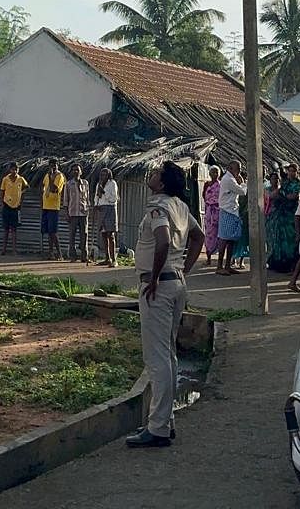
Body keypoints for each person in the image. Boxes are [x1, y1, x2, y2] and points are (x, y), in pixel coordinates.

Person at [126, 160, 204, 449]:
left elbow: (161, 241)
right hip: (177, 282)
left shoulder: (158, 206)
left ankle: (157, 428)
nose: (152, 174)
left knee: (157, 358)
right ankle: (164, 420)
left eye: (157, 173)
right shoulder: (181, 206)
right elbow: (199, 237)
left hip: (157, 285)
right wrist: (186, 267)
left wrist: (156, 277)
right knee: (169, 355)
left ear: (162, 182)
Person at [265, 163, 300, 273]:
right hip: (281, 213)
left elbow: (293, 196)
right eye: (289, 171)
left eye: (293, 171)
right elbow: (272, 195)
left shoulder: (297, 184)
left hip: (290, 214)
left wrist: (283, 194)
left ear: (297, 172)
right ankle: (278, 263)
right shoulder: (285, 183)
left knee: (290, 238)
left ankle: (291, 264)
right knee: (279, 238)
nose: (291, 173)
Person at [216, 160, 246, 276]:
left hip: (232, 211)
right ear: (231, 168)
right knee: (224, 239)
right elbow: (242, 191)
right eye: (237, 168)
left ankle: (227, 265)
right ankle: (219, 266)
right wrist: (243, 183)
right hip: (227, 211)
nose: (239, 171)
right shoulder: (228, 180)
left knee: (231, 240)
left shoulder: (231, 179)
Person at [0, 162, 28, 256]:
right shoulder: (5, 179)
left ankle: (14, 250)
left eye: (16, 169)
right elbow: (2, 191)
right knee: (6, 229)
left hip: (16, 206)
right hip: (7, 205)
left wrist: (21, 197)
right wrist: (2, 204)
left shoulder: (21, 179)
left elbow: (26, 187)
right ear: (10, 169)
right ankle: (3, 249)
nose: (14, 171)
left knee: (14, 229)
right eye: (12, 169)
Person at [63, 163, 90, 263]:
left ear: (81, 172)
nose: (76, 172)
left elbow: (87, 199)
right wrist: (66, 213)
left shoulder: (85, 183)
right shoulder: (68, 184)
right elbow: (66, 201)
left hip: (83, 213)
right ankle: (73, 256)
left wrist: (88, 210)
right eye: (74, 170)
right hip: (73, 213)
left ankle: (84, 256)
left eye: (77, 170)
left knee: (84, 235)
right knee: (72, 235)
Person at [94, 167, 120, 268]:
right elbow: (96, 197)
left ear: (109, 175)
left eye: (105, 175)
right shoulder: (98, 184)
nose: (102, 176)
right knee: (104, 234)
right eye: (101, 175)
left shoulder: (112, 183)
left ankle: (114, 260)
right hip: (101, 209)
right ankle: (107, 258)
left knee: (111, 234)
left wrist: (104, 192)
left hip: (110, 209)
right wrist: (96, 205)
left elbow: (114, 198)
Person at [41, 158, 66, 261]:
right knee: (48, 231)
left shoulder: (59, 176)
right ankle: (50, 253)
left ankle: (59, 254)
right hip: (46, 206)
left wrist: (52, 177)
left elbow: (54, 188)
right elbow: (43, 186)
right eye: (51, 165)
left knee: (53, 231)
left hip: (54, 207)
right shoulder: (47, 175)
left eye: (55, 165)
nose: (53, 167)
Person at [202, 166, 220, 266]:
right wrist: (209, 203)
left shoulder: (220, 185)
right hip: (209, 213)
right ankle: (208, 257)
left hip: (218, 212)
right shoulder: (207, 184)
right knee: (209, 234)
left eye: (216, 172)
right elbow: (203, 196)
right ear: (209, 173)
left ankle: (219, 258)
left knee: (218, 235)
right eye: (213, 172)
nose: (215, 174)